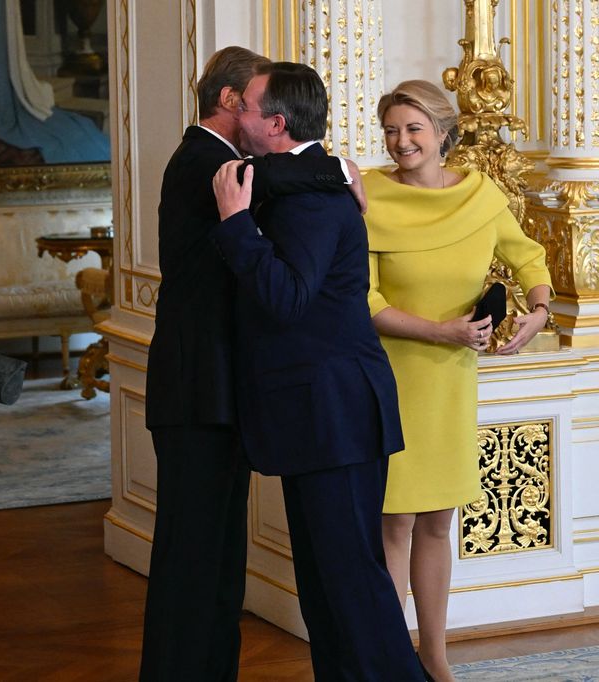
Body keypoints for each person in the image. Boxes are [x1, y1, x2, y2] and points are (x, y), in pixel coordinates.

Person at [142, 46, 364, 682]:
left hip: (216, 388)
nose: (273, 123)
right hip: (196, 389)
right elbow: (272, 179)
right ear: (233, 103)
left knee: (215, 559)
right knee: (193, 557)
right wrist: (337, 170)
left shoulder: (222, 162)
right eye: (263, 106)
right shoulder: (204, 161)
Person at [210, 61, 424, 679]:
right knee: (326, 585)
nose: (235, 115)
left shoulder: (312, 202)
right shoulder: (306, 180)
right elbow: (281, 174)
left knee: (351, 580)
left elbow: (287, 298)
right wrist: (332, 165)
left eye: (245, 107)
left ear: (275, 123)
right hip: (319, 415)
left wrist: (234, 227)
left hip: (335, 411)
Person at [365, 80, 553, 682]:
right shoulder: (365, 195)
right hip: (391, 376)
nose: (401, 142)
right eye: (392, 130)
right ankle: (391, 659)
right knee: (394, 521)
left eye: (413, 129)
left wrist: (539, 312)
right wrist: (439, 332)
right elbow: (359, 299)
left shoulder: (480, 195)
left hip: (450, 383)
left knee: (439, 521)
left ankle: (435, 657)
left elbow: (529, 258)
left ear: (443, 133)